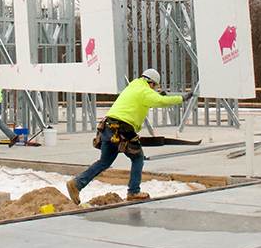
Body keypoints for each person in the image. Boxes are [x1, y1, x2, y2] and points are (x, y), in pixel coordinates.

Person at [66, 69, 189, 204]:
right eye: (155, 87)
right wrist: (182, 98)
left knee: (104, 162)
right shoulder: (145, 91)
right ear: (152, 84)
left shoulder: (134, 86)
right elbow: (161, 102)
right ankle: (134, 192)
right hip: (122, 128)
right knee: (137, 158)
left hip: (107, 125)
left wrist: (157, 95)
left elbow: (146, 98)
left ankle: (77, 184)